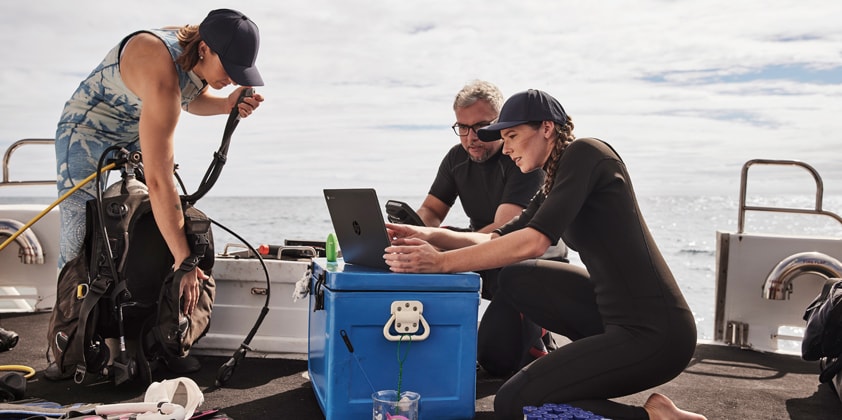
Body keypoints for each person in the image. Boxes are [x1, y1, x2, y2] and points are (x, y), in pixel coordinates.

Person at [384, 90, 705, 419]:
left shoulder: (587, 153)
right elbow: (499, 237)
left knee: (515, 403)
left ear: (547, 128)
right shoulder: (554, 180)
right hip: (613, 323)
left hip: (657, 334)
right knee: (516, 277)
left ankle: (654, 418)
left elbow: (534, 242)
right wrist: (424, 233)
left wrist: (441, 263)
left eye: (512, 135)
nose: (506, 148)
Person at [51, 9, 265, 377]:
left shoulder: (193, 57)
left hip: (136, 127)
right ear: (203, 50)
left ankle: (151, 335)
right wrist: (185, 260)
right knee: (79, 236)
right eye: (228, 67)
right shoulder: (159, 63)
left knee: (150, 225)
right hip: (86, 134)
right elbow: (159, 180)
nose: (231, 80)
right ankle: (66, 348)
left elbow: (188, 96)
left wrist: (226, 105)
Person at [416, 80, 543, 234]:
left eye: (480, 126)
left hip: (530, 250)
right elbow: (432, 211)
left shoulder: (523, 158)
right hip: (479, 239)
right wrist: (411, 231)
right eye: (463, 127)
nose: (471, 138)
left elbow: (505, 228)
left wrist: (443, 245)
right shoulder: (456, 158)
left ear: (500, 122)